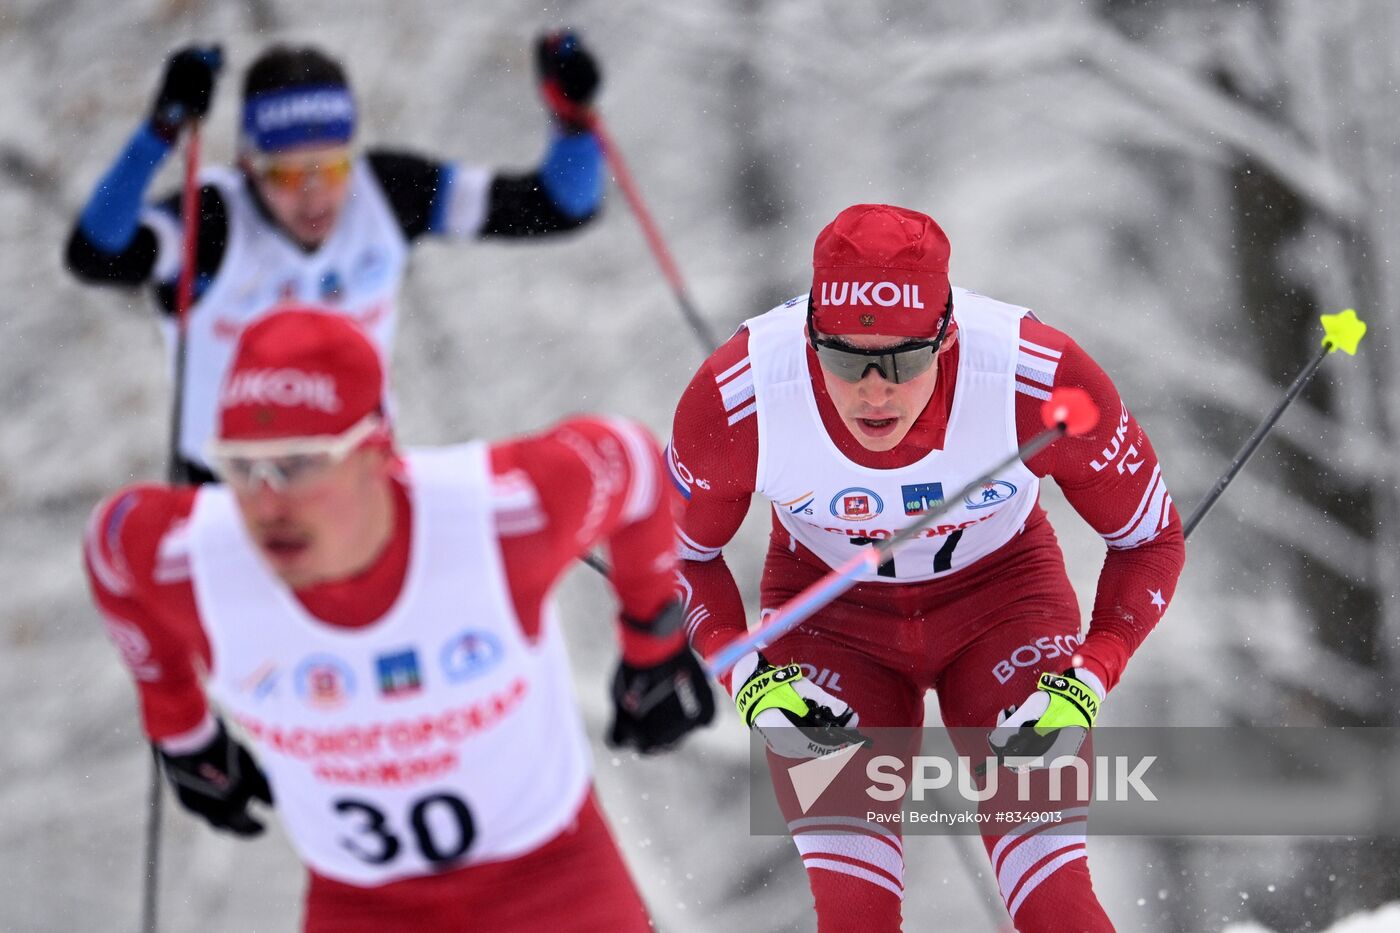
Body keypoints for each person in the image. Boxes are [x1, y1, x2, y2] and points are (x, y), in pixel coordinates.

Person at [83, 307, 715, 932]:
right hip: (361, 904)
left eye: (299, 463)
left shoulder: (498, 520)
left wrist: (652, 639)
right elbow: (108, 551)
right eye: (241, 467)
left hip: (551, 876)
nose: (265, 501)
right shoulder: (192, 559)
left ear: (375, 449)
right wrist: (182, 733)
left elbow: (631, 461)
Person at [667, 203, 1186, 931]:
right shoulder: (739, 398)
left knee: (1055, 902)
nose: (874, 390)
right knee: (856, 914)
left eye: (903, 360)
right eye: (845, 357)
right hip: (829, 621)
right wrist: (748, 681)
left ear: (948, 337)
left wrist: (1092, 675)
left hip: (1004, 604)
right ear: (810, 336)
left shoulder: (1035, 376)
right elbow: (679, 557)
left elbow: (1152, 539)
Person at [66, 33, 606, 482]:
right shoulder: (212, 220)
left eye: (330, 168)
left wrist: (573, 118)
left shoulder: (389, 193)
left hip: (359, 483)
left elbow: (559, 205)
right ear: (250, 167)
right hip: (226, 492)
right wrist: (159, 131)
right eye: (286, 174)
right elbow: (95, 254)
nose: (313, 195)